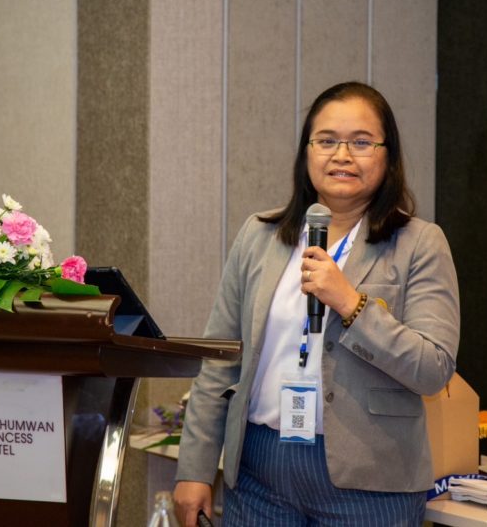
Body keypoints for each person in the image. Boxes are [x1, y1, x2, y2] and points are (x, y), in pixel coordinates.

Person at [173, 82, 460, 526]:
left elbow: (433, 368)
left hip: (370, 482)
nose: (341, 155)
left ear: (388, 156)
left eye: (361, 142)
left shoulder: (419, 243)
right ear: (306, 152)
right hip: (260, 474)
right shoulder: (260, 235)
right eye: (326, 141)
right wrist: (194, 469)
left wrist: (351, 304)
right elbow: (219, 360)